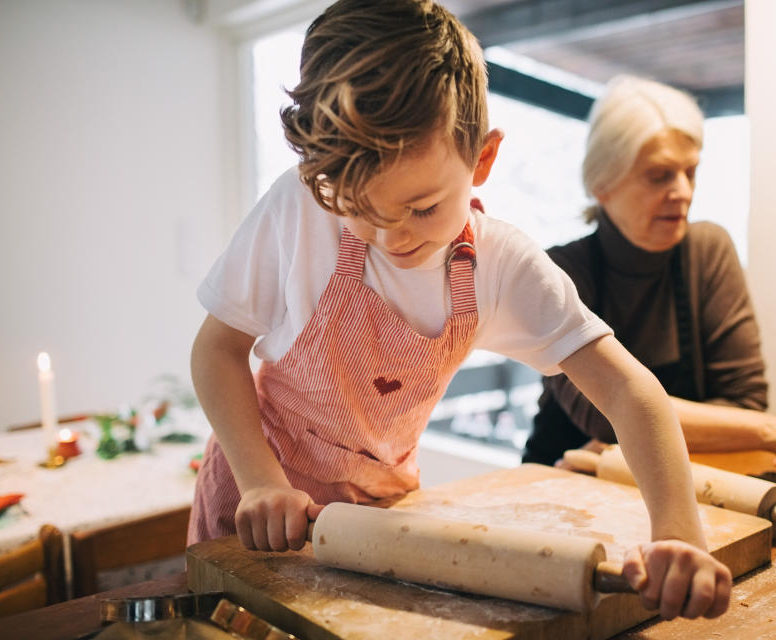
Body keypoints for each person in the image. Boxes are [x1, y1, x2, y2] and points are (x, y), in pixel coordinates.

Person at [188, 0, 730, 620]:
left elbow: (631, 393)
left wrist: (680, 535)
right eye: (359, 209)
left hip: (376, 517)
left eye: (421, 208)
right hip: (253, 507)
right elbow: (217, 349)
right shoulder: (300, 208)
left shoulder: (501, 267)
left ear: (482, 160)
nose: (392, 237)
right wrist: (261, 480)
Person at [523, 76, 776, 484]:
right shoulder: (559, 272)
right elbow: (603, 414)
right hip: (564, 489)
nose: (683, 191)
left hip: (680, 483)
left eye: (691, 172)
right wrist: (773, 432)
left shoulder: (708, 250)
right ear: (602, 184)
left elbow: (745, 401)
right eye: (659, 175)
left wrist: (615, 449)